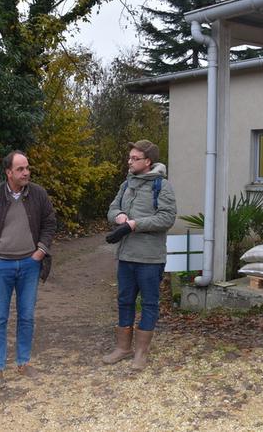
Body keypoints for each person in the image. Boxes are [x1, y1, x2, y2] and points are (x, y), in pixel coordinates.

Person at [0, 150, 56, 390]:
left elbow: (50, 222)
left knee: (26, 316)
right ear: (8, 172)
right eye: (20, 169)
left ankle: (23, 362)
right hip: (1, 266)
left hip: (30, 264)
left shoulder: (38, 194)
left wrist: (41, 250)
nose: (26, 172)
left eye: (27, 168)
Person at [103, 140, 177, 371]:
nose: (130, 161)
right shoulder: (126, 184)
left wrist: (136, 224)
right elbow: (112, 208)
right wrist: (119, 217)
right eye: (129, 158)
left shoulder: (162, 186)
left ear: (148, 162)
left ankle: (141, 353)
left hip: (150, 258)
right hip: (126, 256)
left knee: (149, 304)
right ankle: (123, 347)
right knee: (124, 301)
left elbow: (167, 218)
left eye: (135, 158)